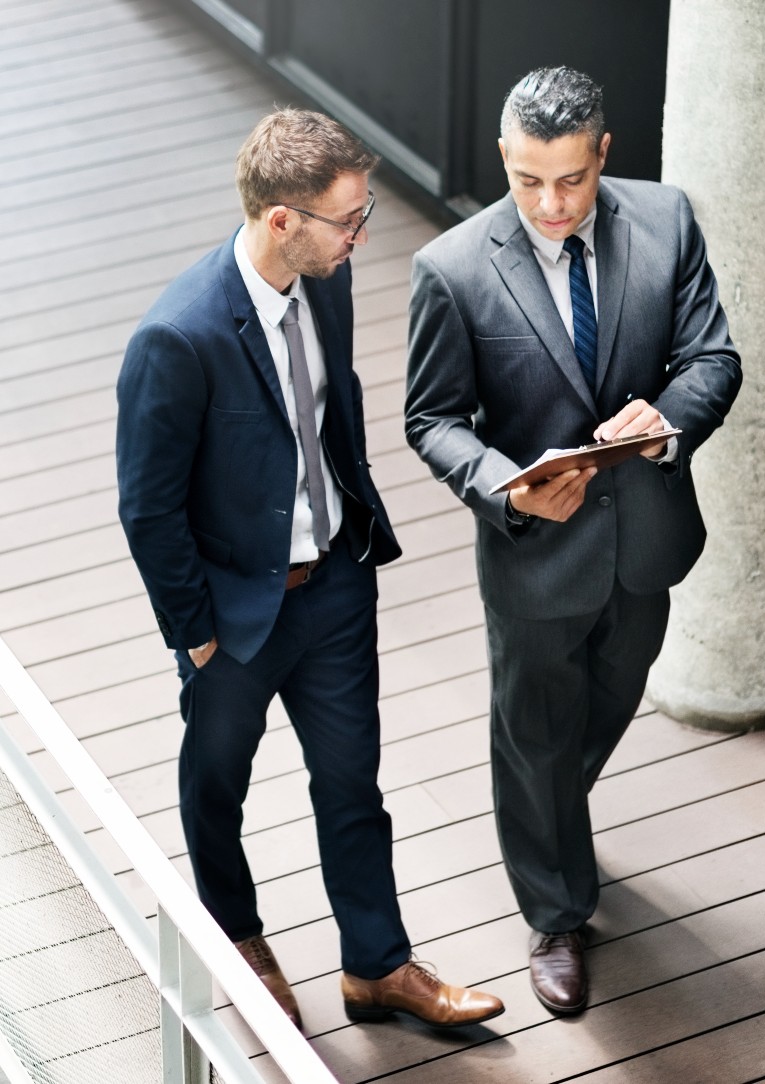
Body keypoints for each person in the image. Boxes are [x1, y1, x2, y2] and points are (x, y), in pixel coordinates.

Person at [116, 108, 503, 1032]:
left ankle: (377, 967)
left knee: (353, 789)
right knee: (217, 789)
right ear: (282, 220)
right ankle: (239, 943)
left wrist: (353, 546)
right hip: (234, 619)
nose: (361, 235)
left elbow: (333, 417)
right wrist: (198, 635)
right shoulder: (177, 338)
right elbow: (148, 507)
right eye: (349, 219)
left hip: (333, 587)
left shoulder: (325, 280)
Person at [405, 67, 742, 1015]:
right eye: (527, 182)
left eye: (571, 180)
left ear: (604, 153)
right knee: (534, 728)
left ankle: (543, 810)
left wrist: (667, 418)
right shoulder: (454, 269)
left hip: (646, 540)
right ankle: (555, 911)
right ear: (504, 159)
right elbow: (434, 420)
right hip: (533, 553)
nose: (550, 206)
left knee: (603, 701)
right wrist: (504, 491)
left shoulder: (668, 221)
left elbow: (714, 356)